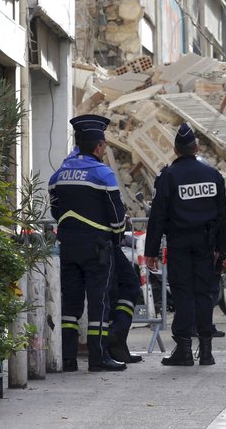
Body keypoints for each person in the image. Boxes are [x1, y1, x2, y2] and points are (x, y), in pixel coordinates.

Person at [145, 123, 226, 367]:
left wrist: (150, 251)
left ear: (175, 149)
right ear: (197, 147)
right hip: (206, 243)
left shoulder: (168, 176)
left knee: (183, 294)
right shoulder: (212, 175)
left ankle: (183, 349)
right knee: (203, 293)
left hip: (180, 243)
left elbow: (158, 216)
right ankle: (206, 350)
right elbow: (222, 215)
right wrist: (223, 249)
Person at [49, 114, 127, 372]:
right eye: (104, 145)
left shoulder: (60, 173)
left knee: (70, 303)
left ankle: (68, 358)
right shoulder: (103, 173)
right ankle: (98, 357)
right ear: (98, 146)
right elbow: (117, 216)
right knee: (98, 302)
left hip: (68, 244)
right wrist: (116, 238)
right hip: (97, 247)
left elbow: (55, 210)